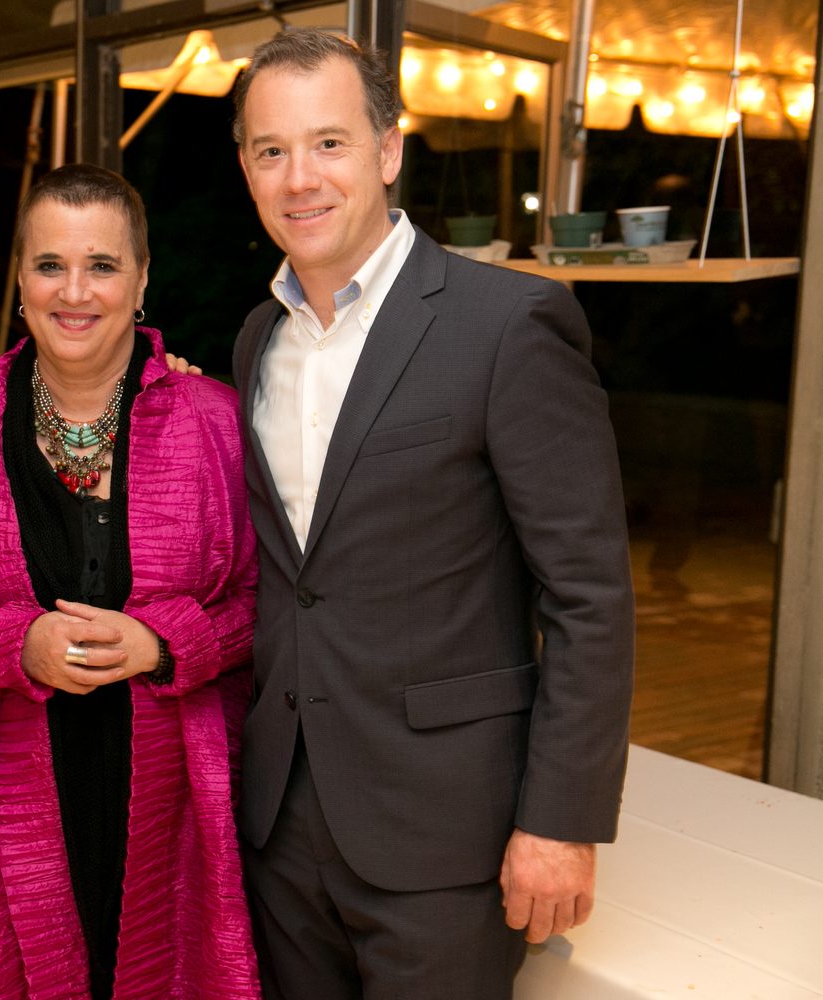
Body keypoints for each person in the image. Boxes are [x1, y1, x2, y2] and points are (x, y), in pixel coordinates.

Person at [229, 29, 634, 1000]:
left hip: (451, 840)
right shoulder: (256, 339)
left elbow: (587, 594)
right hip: (281, 825)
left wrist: (560, 821)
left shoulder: (506, 325)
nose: (299, 177)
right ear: (244, 165)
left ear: (388, 149)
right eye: (269, 150)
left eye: (328, 142)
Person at [0, 164, 260, 999]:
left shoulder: (214, 422)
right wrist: (11, 644)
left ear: (142, 279)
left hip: (177, 802)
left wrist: (168, 640)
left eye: (102, 266)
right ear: (22, 279)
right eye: (50, 265)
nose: (75, 292)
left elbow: (271, 601)